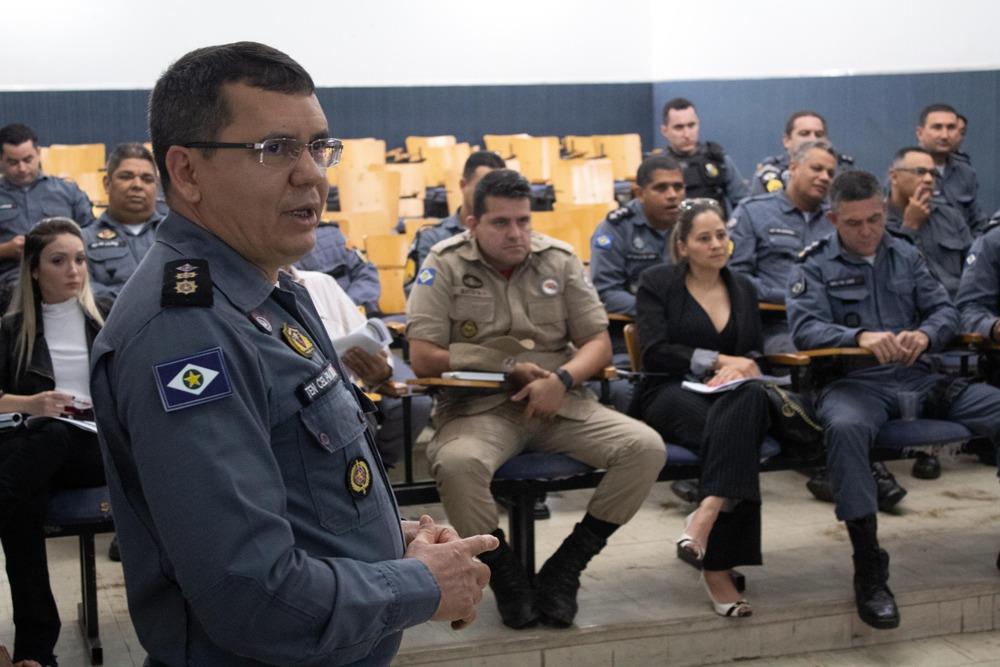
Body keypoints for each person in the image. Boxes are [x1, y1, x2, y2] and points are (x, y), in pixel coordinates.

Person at [90, 41, 496, 666]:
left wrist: (396, 541)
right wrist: (423, 584)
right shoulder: (189, 335)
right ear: (188, 172)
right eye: (275, 149)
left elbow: (298, 492)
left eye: (319, 146)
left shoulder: (267, 290)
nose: (312, 173)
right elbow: (254, 596)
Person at [406, 169, 665, 630]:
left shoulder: (559, 259)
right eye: (501, 223)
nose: (516, 233)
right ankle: (507, 577)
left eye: (523, 221)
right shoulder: (444, 263)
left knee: (644, 448)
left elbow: (598, 343)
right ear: (471, 222)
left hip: (559, 402)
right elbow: (423, 357)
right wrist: (504, 367)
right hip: (479, 409)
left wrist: (562, 379)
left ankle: (568, 567)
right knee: (458, 464)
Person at [787, 170, 1000, 630]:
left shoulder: (905, 254)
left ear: (886, 212)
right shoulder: (813, 265)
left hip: (920, 378)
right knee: (844, 431)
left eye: (875, 220)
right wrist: (859, 336)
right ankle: (869, 568)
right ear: (832, 219)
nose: (867, 232)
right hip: (855, 384)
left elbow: (945, 309)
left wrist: (925, 334)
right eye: (854, 223)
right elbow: (803, 329)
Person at [634, 198, 769, 618]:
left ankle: (705, 516)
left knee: (745, 401)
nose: (716, 244)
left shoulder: (743, 287)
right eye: (704, 238)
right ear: (683, 246)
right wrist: (716, 361)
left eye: (722, 235)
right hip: (668, 391)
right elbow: (654, 351)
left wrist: (739, 368)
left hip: (731, 395)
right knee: (735, 431)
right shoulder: (657, 283)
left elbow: (751, 350)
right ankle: (717, 567)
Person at [0, 218, 109, 667]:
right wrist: (31, 401)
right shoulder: (11, 329)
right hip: (37, 451)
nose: (73, 271)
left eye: (80, 259)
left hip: (96, 450)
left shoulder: (107, 315)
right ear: (33, 269)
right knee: (20, 507)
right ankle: (36, 652)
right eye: (59, 261)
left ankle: (34, 647)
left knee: (48, 436)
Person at [285, 265, 432, 468]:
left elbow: (372, 345)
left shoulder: (321, 283)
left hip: (346, 396)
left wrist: (379, 371)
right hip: (297, 413)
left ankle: (380, 470)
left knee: (409, 405)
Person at [0, 124, 96, 308]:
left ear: (38, 153)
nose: (22, 168)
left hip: (67, 272)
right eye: (13, 162)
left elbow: (93, 232)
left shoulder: (67, 191)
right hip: (12, 279)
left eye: (28, 159)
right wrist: (7, 250)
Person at [589, 155, 685, 320]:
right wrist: (657, 309)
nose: (672, 195)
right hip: (635, 322)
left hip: (685, 320)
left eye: (678, 187)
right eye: (661, 188)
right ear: (640, 193)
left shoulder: (692, 224)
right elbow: (605, 291)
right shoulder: (614, 228)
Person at [404, 150, 506, 295]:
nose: (491, 196)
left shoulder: (511, 237)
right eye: (483, 188)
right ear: (463, 185)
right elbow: (420, 294)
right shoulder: (432, 238)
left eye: (498, 189)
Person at [885, 147, 971, 300]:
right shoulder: (876, 220)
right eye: (920, 172)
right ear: (894, 177)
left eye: (932, 173)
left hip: (958, 305)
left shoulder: (950, 216)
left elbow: (973, 269)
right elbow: (890, 275)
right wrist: (909, 228)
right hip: (911, 311)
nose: (929, 180)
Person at [82, 143, 165, 299]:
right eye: (126, 176)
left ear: (157, 186)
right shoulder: (83, 240)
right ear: (107, 184)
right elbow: (82, 290)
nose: (137, 185)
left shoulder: (177, 236)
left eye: (147, 179)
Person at [660, 97, 748, 215]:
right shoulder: (658, 167)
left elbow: (743, 204)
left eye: (691, 125)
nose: (687, 134)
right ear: (664, 131)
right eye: (679, 127)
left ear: (698, 124)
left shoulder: (718, 160)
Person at [914, 103, 986, 235]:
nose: (945, 135)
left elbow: (977, 222)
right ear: (920, 133)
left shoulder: (965, 173)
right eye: (937, 127)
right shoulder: (906, 172)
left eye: (951, 128)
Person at [751, 111, 854, 195]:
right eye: (804, 134)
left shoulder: (842, 171)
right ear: (787, 141)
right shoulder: (770, 173)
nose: (813, 139)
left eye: (819, 135)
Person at [294, 221, 381, 314]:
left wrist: (347, 305)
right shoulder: (332, 232)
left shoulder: (332, 234)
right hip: (317, 319)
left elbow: (364, 272)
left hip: (354, 311)